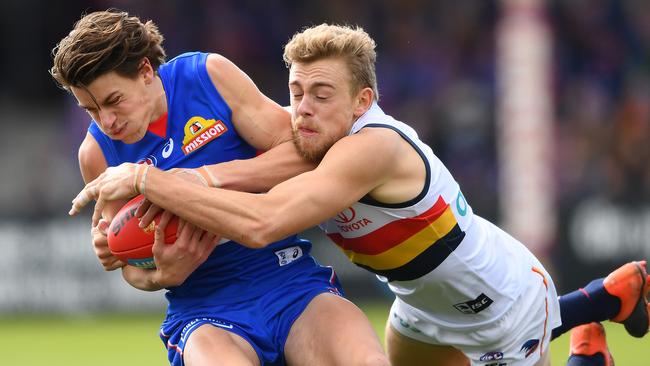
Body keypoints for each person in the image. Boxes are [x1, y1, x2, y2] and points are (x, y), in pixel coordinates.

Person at [70, 23, 650, 366]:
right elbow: (128, 260)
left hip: (495, 298)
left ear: (363, 100)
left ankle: (590, 338)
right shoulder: (99, 153)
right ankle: (606, 298)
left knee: (505, 334)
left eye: (321, 95)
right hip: (414, 306)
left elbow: (268, 211)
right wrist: (149, 273)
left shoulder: (365, 147)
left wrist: (162, 180)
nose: (301, 110)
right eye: (295, 92)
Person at [52, 11, 388, 366]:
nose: (106, 122)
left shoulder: (206, 76)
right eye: (90, 110)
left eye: (113, 101)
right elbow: (130, 266)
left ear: (146, 71)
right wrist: (161, 276)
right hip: (204, 310)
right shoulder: (96, 154)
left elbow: (304, 154)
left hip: (287, 279)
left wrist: (205, 177)